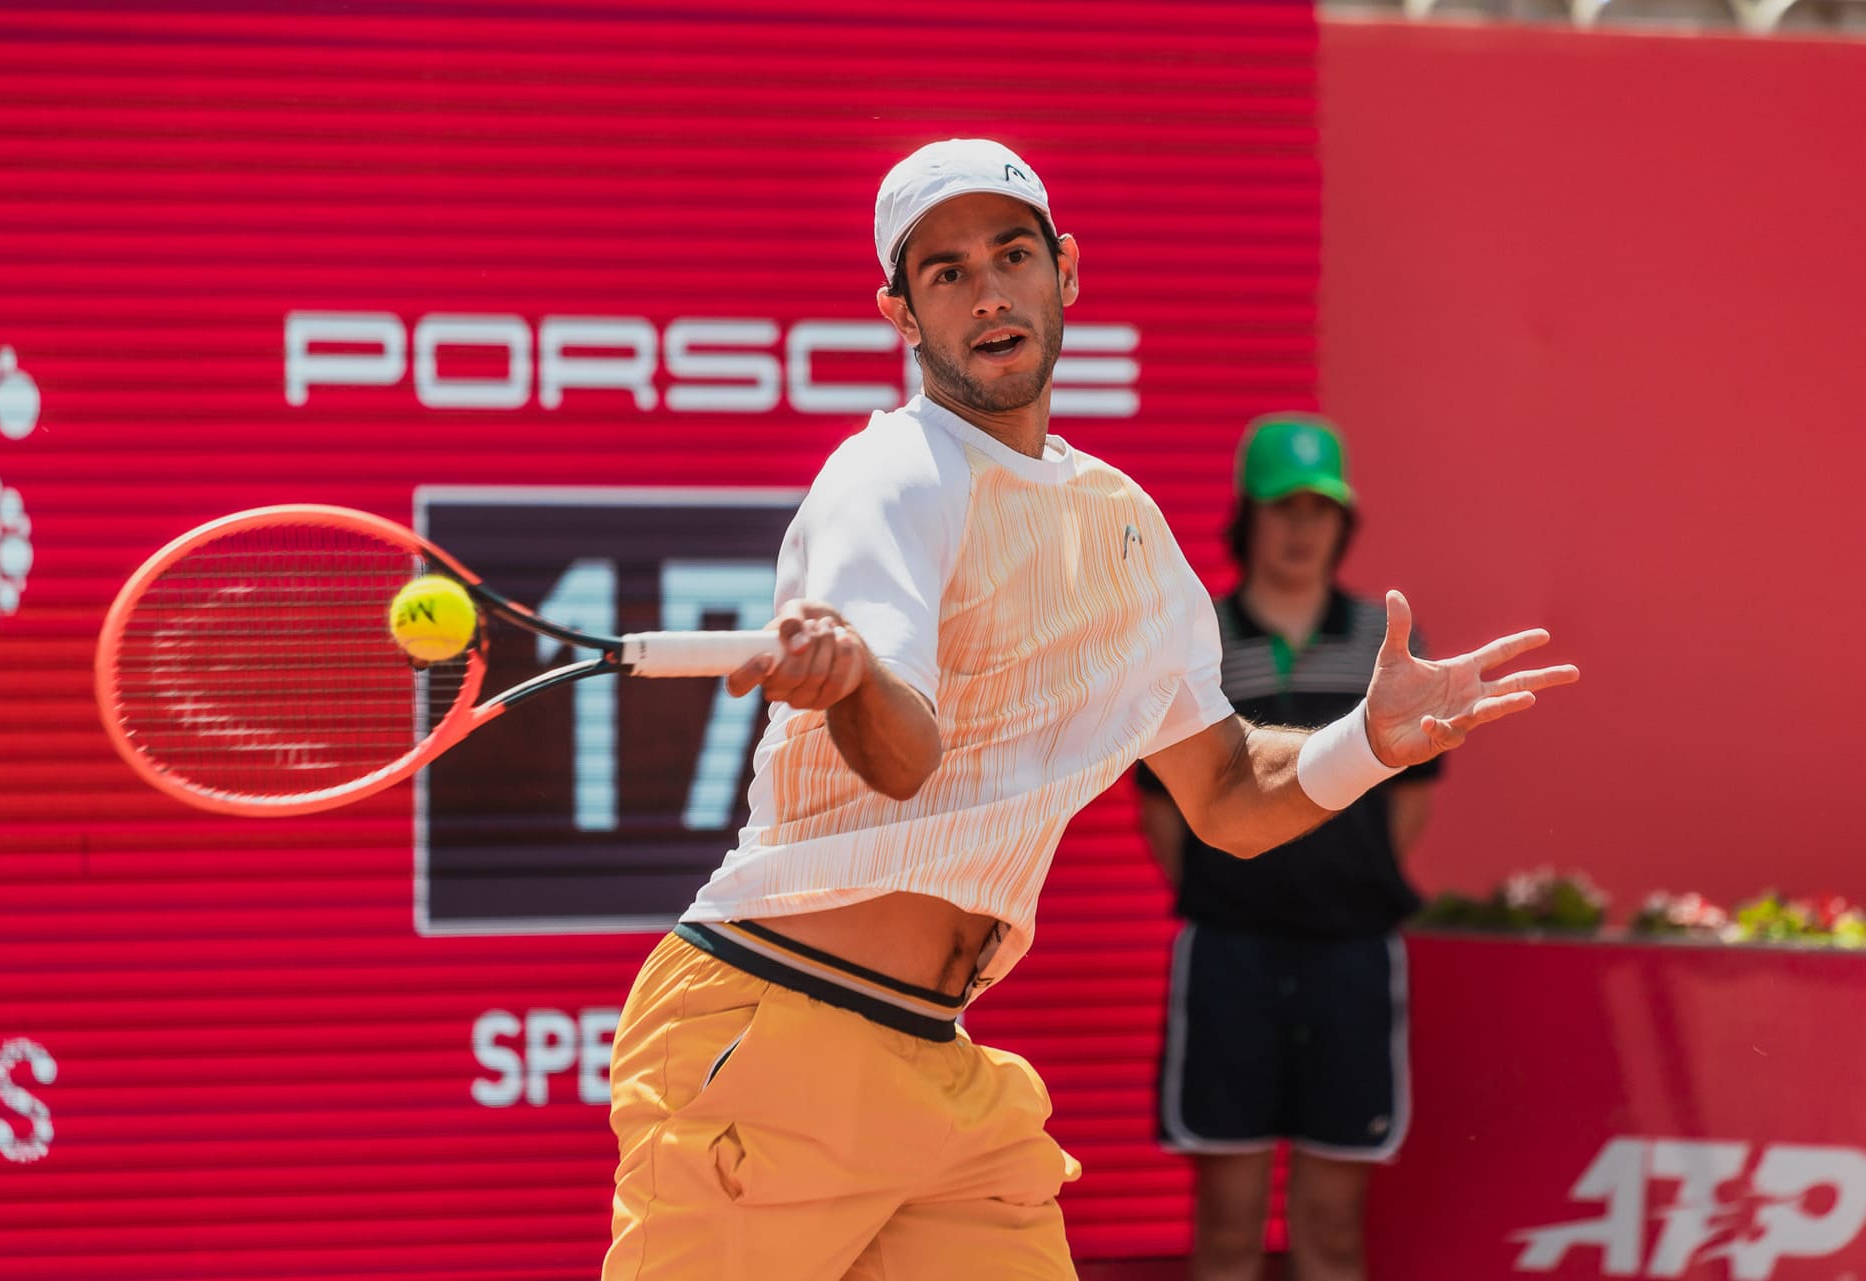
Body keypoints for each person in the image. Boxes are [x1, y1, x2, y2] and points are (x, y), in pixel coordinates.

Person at [601, 138, 1578, 1281]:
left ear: (1065, 272)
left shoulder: (1121, 525)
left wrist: (1370, 743)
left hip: (937, 1063)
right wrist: (860, 680)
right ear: (901, 315)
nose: (988, 293)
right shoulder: (893, 478)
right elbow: (902, 757)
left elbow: (1227, 795)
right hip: (771, 1035)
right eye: (947, 273)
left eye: (1011, 255)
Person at [1136, 414, 1437, 1281]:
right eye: (1283, 507)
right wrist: (1248, 880)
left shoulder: (1384, 648)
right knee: (1227, 1230)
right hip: (1230, 954)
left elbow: (1406, 807)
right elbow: (1168, 812)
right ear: (1248, 516)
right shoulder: (1202, 643)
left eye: (1320, 508)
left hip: (1354, 956)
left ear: (1344, 523)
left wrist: (1333, 877)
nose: (1302, 528)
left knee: (1335, 1233)